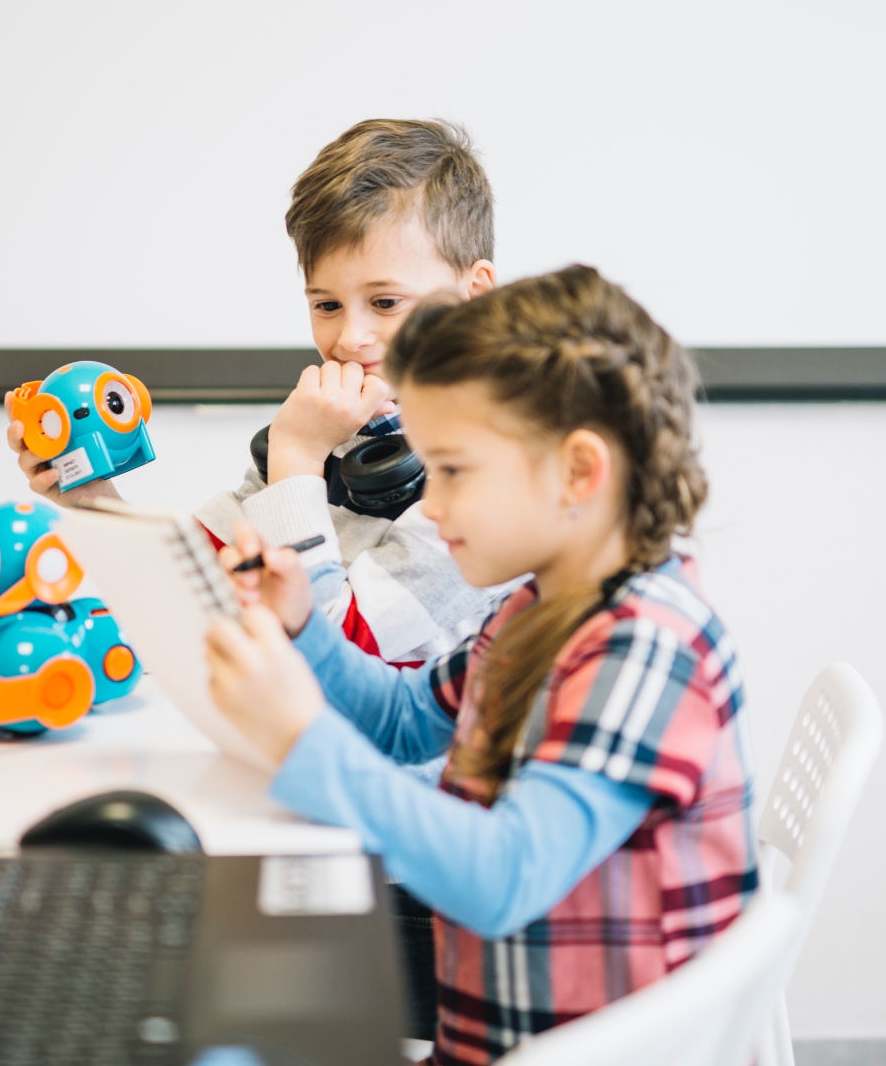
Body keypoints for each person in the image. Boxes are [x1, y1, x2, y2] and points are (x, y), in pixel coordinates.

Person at [203, 266, 758, 1065]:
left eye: (454, 471)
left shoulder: (646, 650)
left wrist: (299, 742)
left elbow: (505, 876)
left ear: (578, 472)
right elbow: (405, 721)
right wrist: (301, 624)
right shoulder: (545, 607)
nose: (431, 505)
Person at [3, 118, 504, 666]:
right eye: (326, 305)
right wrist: (88, 496)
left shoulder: (490, 476)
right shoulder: (334, 428)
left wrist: (297, 458)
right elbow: (203, 590)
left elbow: (333, 652)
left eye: (385, 303)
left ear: (473, 294)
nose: (349, 339)